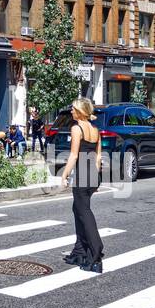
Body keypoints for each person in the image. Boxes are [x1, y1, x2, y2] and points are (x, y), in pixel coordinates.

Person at [60, 97, 104, 272]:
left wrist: (64, 174)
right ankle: (79, 252)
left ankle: (95, 254)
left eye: (73, 109)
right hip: (92, 173)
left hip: (83, 174)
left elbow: (74, 156)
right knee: (78, 209)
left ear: (80, 111)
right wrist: (96, 178)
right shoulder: (95, 129)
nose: (71, 111)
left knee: (84, 212)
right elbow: (98, 157)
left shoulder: (76, 128)